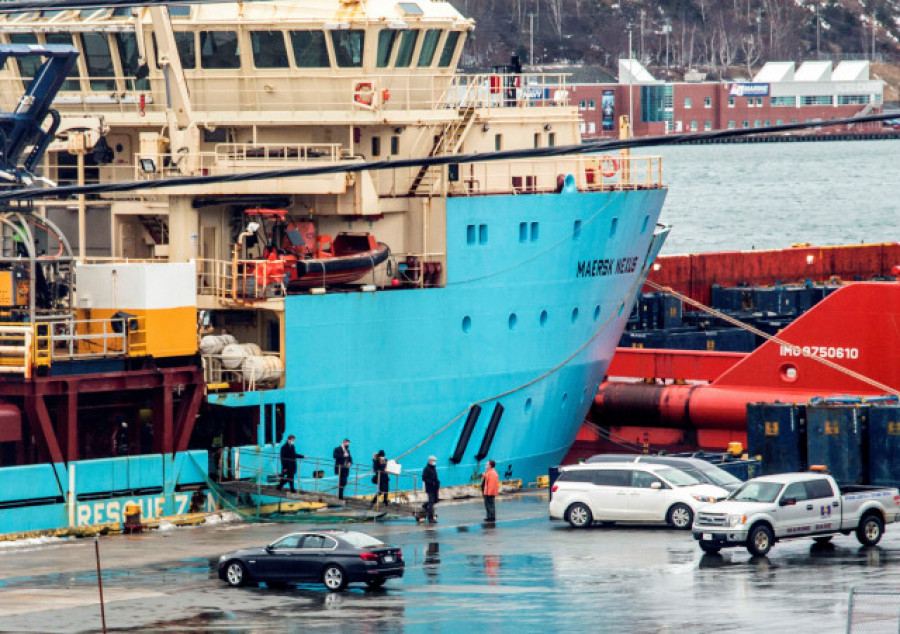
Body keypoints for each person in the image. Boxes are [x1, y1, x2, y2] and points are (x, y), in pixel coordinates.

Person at [422, 455, 440, 523]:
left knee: (435, 500)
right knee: (431, 502)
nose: (434, 462)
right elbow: (424, 478)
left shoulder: (433, 468)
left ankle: (425, 505)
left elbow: (435, 477)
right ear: (430, 461)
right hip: (430, 487)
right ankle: (430, 518)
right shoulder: (426, 469)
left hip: (435, 487)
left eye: (435, 461)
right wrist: (431, 482)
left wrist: (437, 482)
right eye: (433, 461)